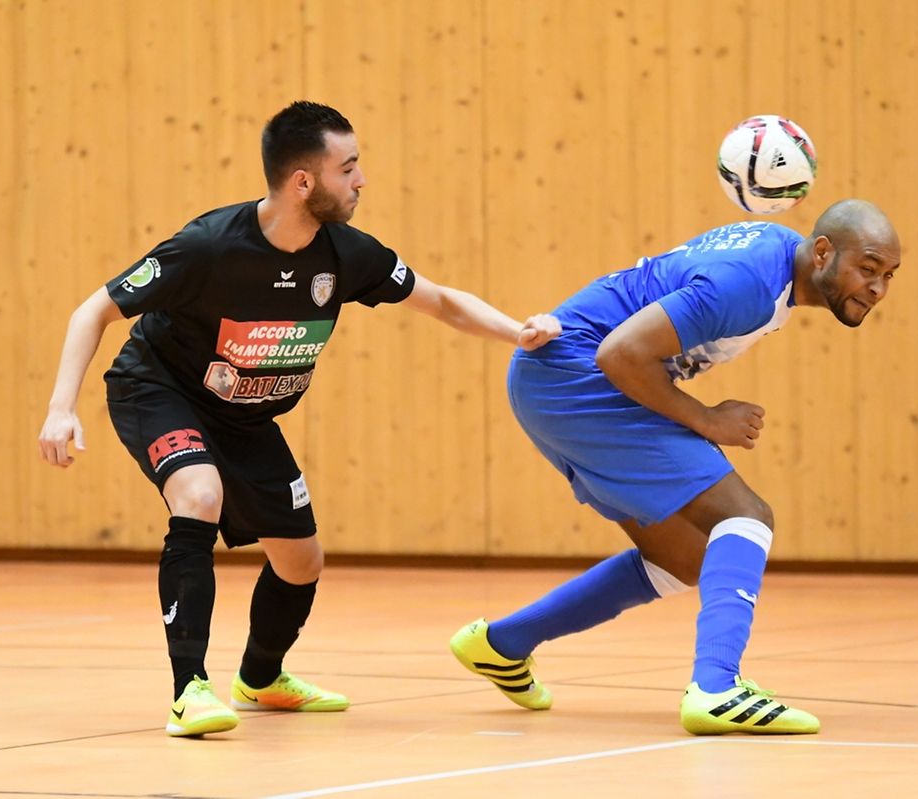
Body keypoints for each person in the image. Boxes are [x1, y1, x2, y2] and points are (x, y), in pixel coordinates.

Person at [37, 101, 561, 737]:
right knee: (199, 495)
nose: (362, 180)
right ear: (303, 182)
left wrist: (517, 332)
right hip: (160, 389)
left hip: (246, 417)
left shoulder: (347, 255)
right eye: (349, 167)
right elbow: (93, 310)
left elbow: (442, 301)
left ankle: (260, 678)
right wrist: (61, 409)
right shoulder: (208, 247)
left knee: (301, 561)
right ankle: (189, 691)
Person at [449, 200, 900, 735]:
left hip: (552, 378)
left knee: (684, 559)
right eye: (867, 268)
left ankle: (502, 643)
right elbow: (620, 353)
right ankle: (716, 688)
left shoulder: (774, 260)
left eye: (888, 275)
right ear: (822, 252)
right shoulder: (748, 285)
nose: (877, 288)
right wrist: (706, 419)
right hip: (578, 376)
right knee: (745, 516)